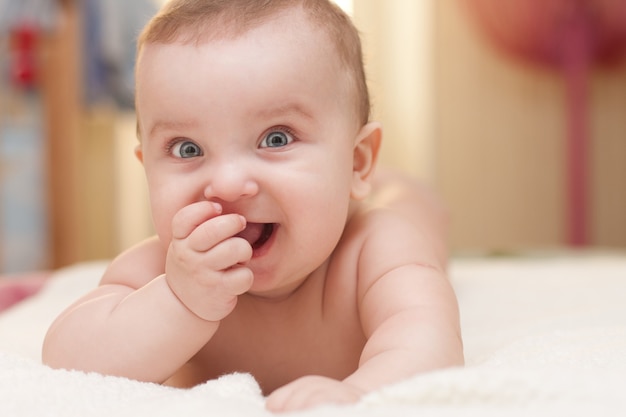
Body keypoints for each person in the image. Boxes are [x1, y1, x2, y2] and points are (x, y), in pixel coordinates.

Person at [42, 0, 464, 412]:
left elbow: (429, 342)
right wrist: (179, 301)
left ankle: (403, 192)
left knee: (409, 214)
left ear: (356, 160)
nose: (226, 184)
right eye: (188, 148)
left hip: (390, 222)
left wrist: (359, 394)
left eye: (276, 138)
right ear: (147, 168)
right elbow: (65, 359)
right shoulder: (157, 271)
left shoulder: (376, 250)